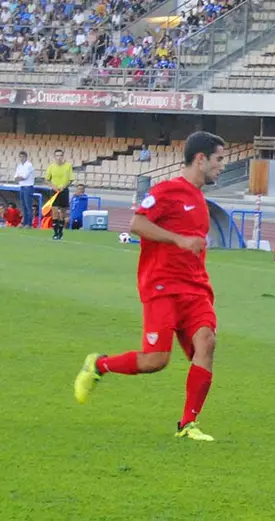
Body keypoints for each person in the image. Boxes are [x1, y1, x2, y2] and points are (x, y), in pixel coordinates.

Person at [73, 131, 227, 442]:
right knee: (156, 360)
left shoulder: (199, 198)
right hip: (162, 286)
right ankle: (99, 364)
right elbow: (137, 224)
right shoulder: (167, 190)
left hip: (195, 288)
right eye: (219, 160)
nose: (222, 166)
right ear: (201, 159)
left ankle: (187, 425)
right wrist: (179, 239)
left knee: (206, 343)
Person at [45, 148, 74, 240]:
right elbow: (46, 179)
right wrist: (53, 186)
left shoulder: (68, 166)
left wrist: (64, 186)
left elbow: (71, 180)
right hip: (54, 191)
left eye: (60, 155)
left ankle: (60, 232)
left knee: (62, 213)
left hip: (64, 191)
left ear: (63, 156)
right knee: (54, 212)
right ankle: (55, 233)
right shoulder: (51, 167)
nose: (59, 157)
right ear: (54, 156)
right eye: (57, 155)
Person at [13, 151, 34, 228]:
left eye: (23, 157)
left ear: (26, 157)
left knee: (28, 206)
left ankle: (29, 223)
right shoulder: (19, 166)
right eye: (20, 157)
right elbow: (15, 177)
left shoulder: (29, 165)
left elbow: (24, 176)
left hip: (28, 187)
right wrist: (19, 178)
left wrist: (19, 177)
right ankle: (24, 222)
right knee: (23, 206)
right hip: (22, 186)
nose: (21, 158)